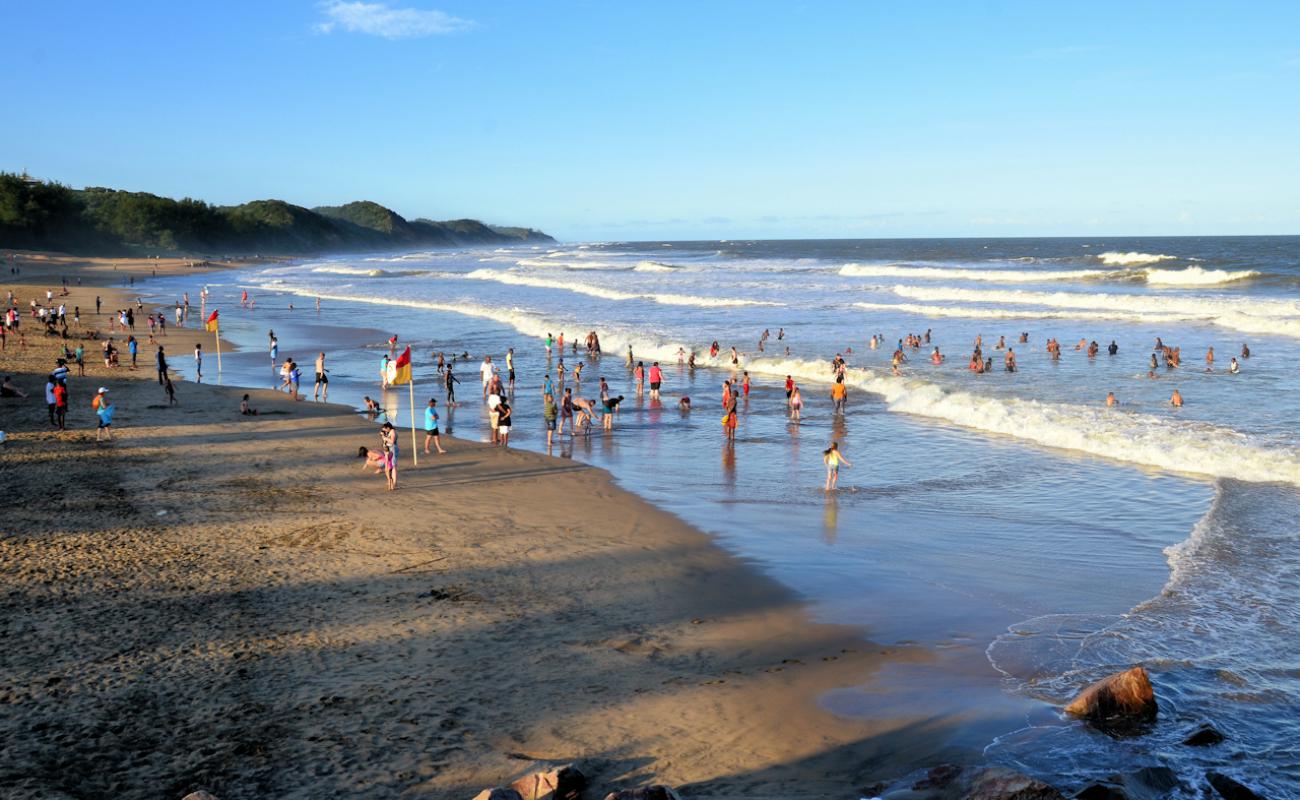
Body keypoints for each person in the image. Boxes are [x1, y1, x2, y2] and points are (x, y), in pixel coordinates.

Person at [380, 422, 398, 490]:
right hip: (388, 450)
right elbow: (385, 441)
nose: (384, 431)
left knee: (393, 466)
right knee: (388, 466)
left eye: (385, 429)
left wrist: (384, 437)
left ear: (388, 428)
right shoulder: (389, 432)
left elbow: (392, 441)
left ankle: (394, 483)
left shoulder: (393, 431)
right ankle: (390, 481)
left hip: (392, 449)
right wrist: (383, 435)